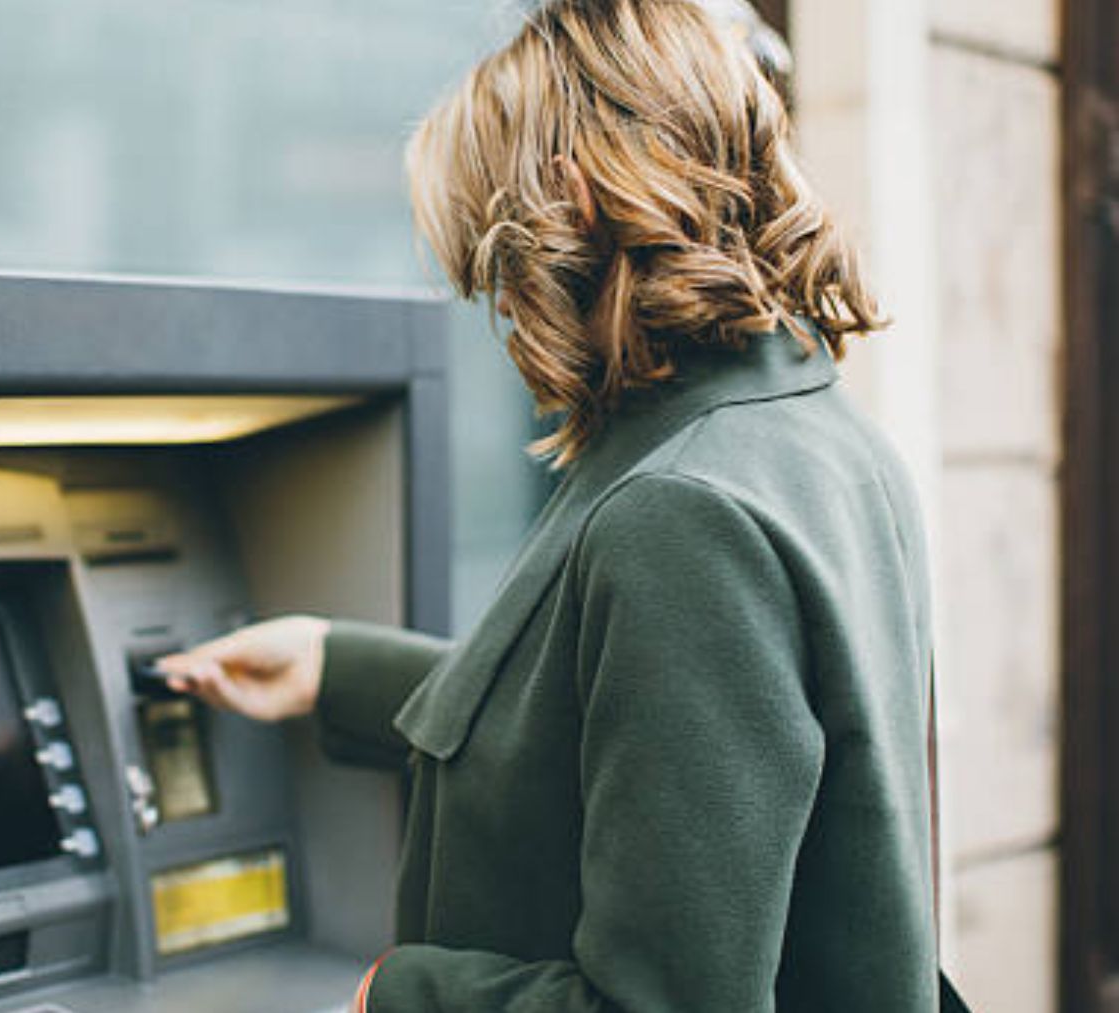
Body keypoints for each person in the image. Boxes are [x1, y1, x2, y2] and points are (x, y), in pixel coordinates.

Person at [155, 1, 959, 1009]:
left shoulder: (681, 510)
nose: (501, 307)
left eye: (495, 262)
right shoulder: (818, 436)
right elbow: (658, 740)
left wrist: (398, 993)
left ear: (574, 204)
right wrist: (338, 666)